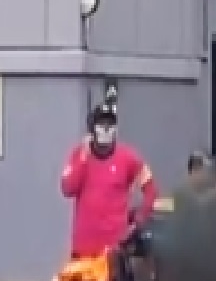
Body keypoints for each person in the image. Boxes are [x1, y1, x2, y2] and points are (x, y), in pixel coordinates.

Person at [61, 102, 159, 260]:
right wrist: (83, 158)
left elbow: (151, 190)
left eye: (110, 124)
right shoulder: (79, 154)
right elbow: (67, 189)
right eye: (101, 124)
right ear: (92, 129)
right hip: (84, 249)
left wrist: (140, 219)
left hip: (115, 249)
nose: (106, 129)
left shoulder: (129, 157)